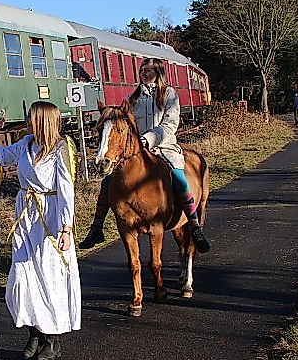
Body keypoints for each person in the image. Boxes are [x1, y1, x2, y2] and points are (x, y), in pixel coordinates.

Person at [78, 58, 212, 254]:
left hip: (164, 148)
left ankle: (194, 225)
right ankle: (96, 228)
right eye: (142, 70)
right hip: (137, 151)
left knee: (180, 178)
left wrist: (149, 139)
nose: (143, 73)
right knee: (108, 182)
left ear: (158, 73)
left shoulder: (169, 95)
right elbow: (126, 125)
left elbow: (170, 125)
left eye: (148, 70)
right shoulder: (133, 97)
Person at [0, 101, 80, 360]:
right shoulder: (26, 143)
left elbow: (66, 190)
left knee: (48, 276)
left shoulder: (60, 150)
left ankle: (52, 338)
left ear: (42, 120)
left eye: (30, 116)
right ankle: (34, 331)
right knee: (22, 276)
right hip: (26, 214)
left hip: (49, 217)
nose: (26, 120)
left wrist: (66, 228)